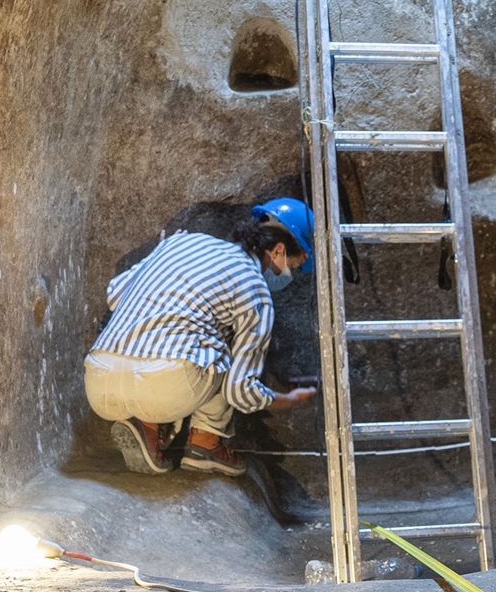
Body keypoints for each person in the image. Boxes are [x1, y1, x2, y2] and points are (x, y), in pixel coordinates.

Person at [84, 197, 319, 477]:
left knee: (183, 328)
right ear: (279, 251)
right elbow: (239, 392)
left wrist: (157, 256)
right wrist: (289, 399)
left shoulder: (179, 243)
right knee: (226, 341)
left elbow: (115, 294)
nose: (291, 274)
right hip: (166, 388)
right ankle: (205, 442)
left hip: (97, 382)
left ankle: (147, 428)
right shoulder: (256, 290)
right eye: (295, 265)